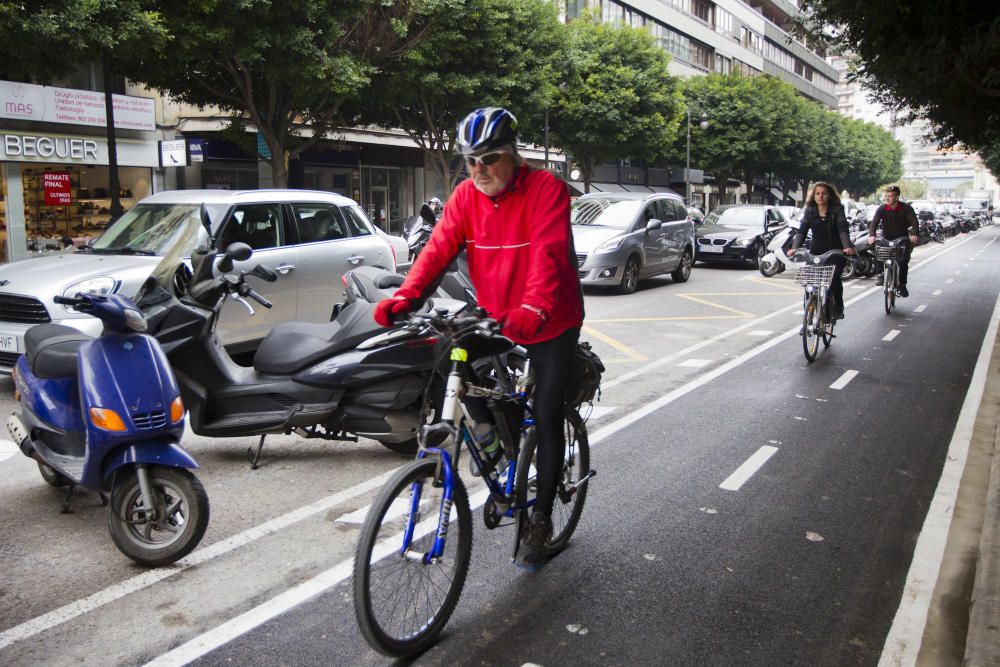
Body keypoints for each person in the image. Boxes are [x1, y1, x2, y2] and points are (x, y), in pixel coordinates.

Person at [373, 106, 585, 569]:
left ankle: (542, 518)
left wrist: (533, 310)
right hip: (496, 313)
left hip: (550, 317)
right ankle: (491, 440)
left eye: (489, 158)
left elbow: (548, 256)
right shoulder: (466, 196)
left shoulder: (546, 190)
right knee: (450, 351)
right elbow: (436, 251)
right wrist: (407, 297)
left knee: (547, 414)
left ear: (513, 156)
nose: (479, 169)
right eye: (471, 160)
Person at [786, 182, 854, 320]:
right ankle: (808, 317)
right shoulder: (810, 209)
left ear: (829, 196)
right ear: (814, 196)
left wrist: (846, 246)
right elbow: (802, 230)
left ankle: (837, 307)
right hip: (815, 252)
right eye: (817, 193)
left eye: (824, 193)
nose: (820, 196)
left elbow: (842, 229)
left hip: (835, 252)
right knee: (810, 284)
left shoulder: (837, 209)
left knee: (833, 280)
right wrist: (794, 247)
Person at [868, 185, 918, 297]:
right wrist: (872, 235)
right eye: (887, 196)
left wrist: (914, 233)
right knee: (877, 250)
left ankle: (902, 285)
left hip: (901, 238)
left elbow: (914, 222)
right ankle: (880, 274)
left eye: (891, 196)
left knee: (903, 261)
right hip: (886, 238)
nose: (888, 198)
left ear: (897, 197)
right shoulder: (882, 208)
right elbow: (874, 223)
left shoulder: (906, 208)